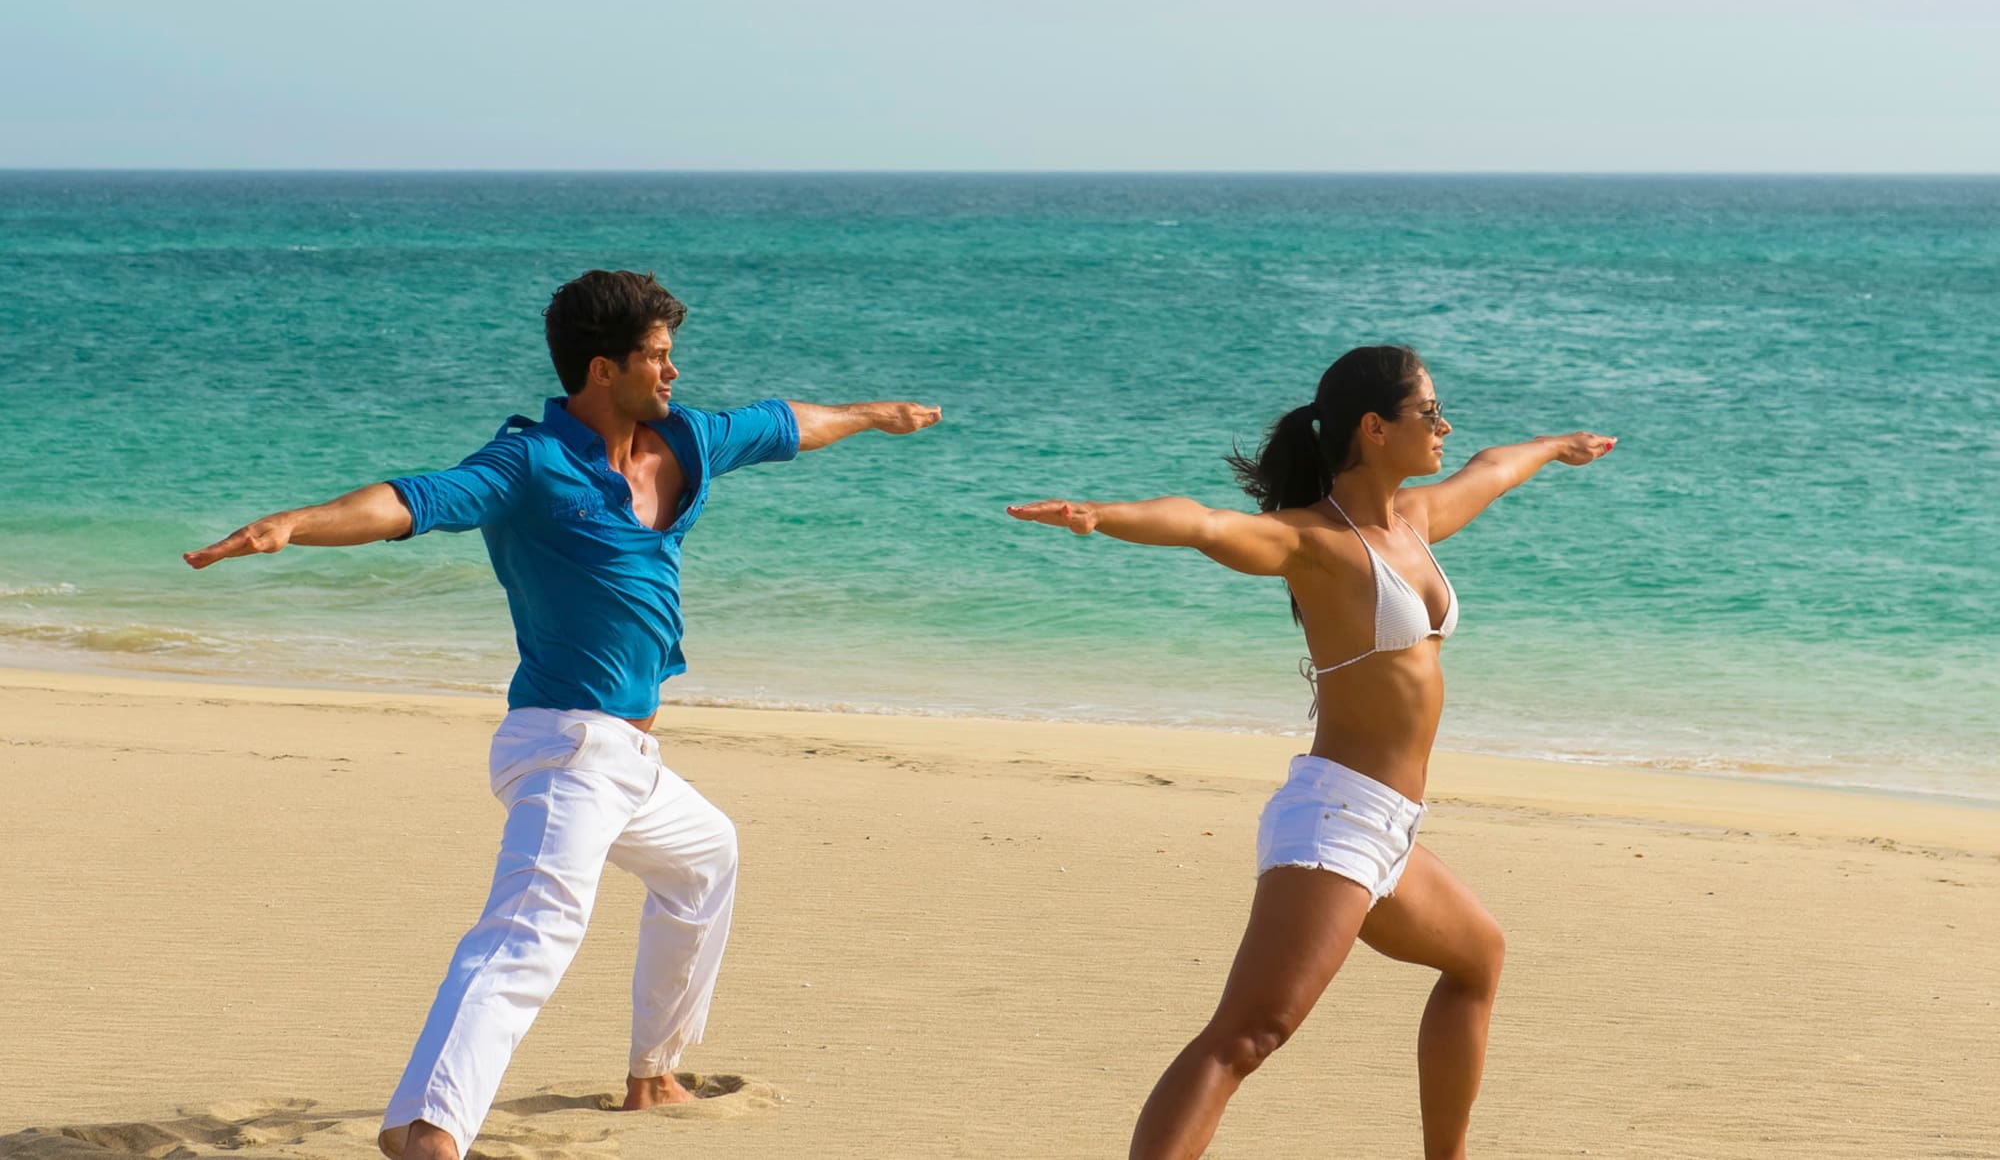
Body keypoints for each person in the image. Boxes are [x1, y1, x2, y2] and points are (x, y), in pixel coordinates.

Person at [183, 269, 941, 1160]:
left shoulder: (686, 440)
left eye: (670, 353)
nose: (673, 372)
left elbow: (787, 421)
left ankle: (654, 1074)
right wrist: (296, 524)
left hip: (630, 761)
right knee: (529, 935)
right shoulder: (530, 465)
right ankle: (427, 1127)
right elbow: (412, 500)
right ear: (600, 370)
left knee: (705, 860)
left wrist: (873, 414)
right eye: (656, 357)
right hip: (566, 748)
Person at [1007, 345, 1612, 1160]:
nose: (1445, 423)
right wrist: (1103, 514)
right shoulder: (1316, 543)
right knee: (1246, 1037)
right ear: (1374, 427)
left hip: (1389, 827)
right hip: (1335, 820)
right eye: (1428, 411)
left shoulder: (1416, 522)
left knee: (1477, 958)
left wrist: (1556, 448)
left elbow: (1493, 468)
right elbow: (1206, 525)